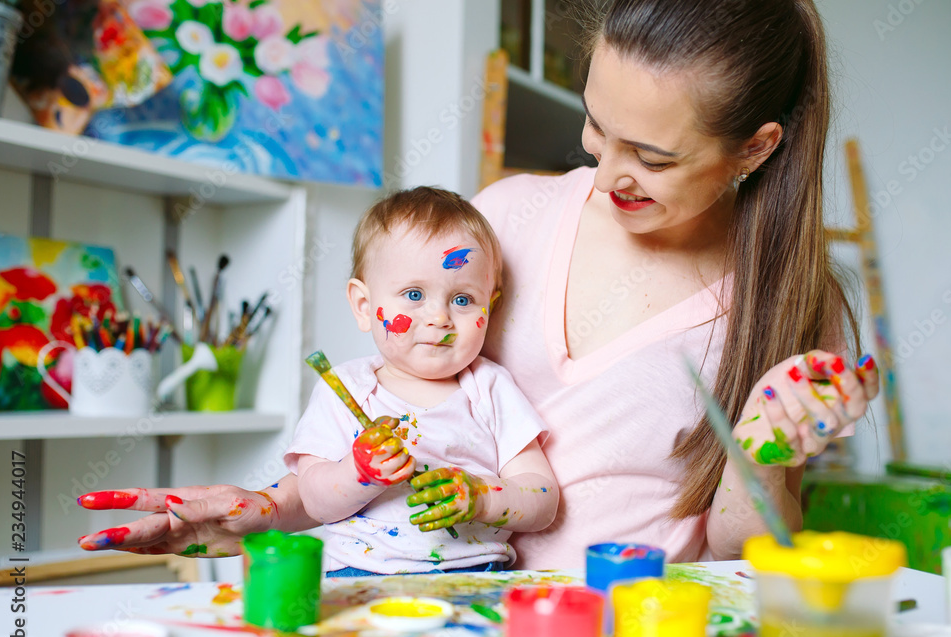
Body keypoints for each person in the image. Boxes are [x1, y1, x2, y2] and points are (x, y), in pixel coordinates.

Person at [78, 0, 879, 569]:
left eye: (653, 158)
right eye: (596, 128)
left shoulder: (793, 302)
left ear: (755, 148)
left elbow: (748, 552)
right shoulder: (502, 224)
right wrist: (261, 514)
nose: (603, 178)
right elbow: (408, 417)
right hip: (429, 623)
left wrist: (760, 449)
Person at [81, 187, 559, 575]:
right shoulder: (346, 388)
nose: (439, 317)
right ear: (361, 304)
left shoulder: (490, 388)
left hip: (477, 580)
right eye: (414, 294)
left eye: (462, 299)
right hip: (359, 579)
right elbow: (314, 498)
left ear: (489, 306)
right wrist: (360, 472)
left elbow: (542, 498)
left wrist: (480, 497)